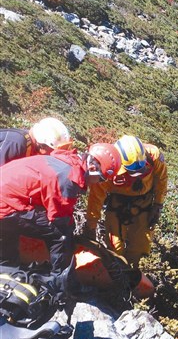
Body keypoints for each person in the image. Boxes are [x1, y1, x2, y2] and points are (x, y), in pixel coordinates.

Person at [0, 143, 121, 275]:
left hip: (8, 196)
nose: (98, 183)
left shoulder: (67, 162)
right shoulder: (68, 179)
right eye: (101, 179)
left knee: (21, 230)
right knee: (61, 235)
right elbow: (58, 218)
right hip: (6, 205)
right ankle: (58, 279)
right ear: (92, 168)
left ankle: (7, 266)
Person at [85, 135, 168, 268]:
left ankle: (132, 271)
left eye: (140, 169)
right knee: (115, 247)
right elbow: (96, 198)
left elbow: (161, 180)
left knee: (141, 245)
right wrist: (91, 225)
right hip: (117, 204)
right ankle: (117, 271)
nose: (137, 174)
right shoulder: (108, 167)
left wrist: (157, 205)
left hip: (144, 204)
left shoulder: (154, 156)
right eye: (132, 170)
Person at [0, 117, 72, 166]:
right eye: (52, 150)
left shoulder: (27, 145)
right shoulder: (16, 142)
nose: (51, 154)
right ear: (44, 146)